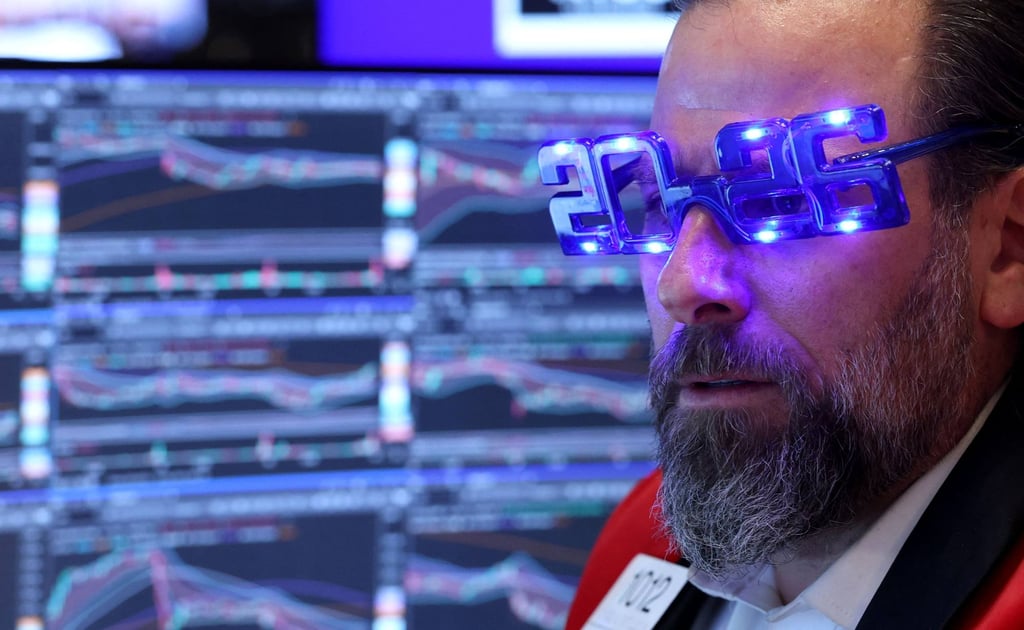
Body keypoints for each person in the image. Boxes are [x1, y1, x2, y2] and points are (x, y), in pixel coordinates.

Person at [539, 0, 1024, 627]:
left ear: (1007, 249)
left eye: (783, 199)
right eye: (660, 200)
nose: (682, 284)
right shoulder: (640, 543)